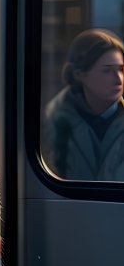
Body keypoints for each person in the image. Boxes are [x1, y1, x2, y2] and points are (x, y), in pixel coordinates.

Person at [42, 28, 124, 181]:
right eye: (107, 71)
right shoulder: (53, 123)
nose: (118, 79)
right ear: (80, 74)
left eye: (121, 69)